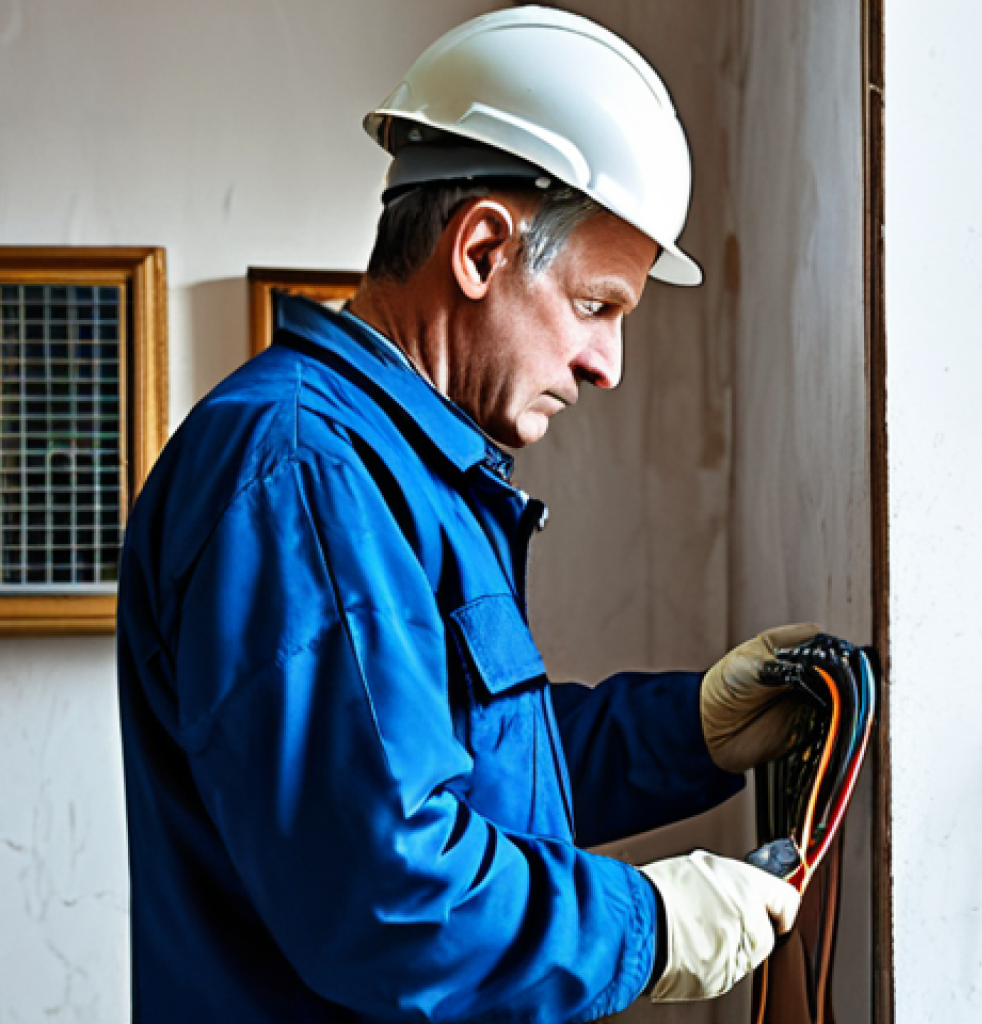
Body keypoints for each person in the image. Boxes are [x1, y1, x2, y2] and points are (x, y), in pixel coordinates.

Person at [117, 8, 812, 1022]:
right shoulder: (304, 471)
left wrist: (688, 730)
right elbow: (389, 893)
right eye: (597, 306)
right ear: (482, 248)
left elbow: (460, 772)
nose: (607, 366)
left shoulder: (397, 468)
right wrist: (650, 923)